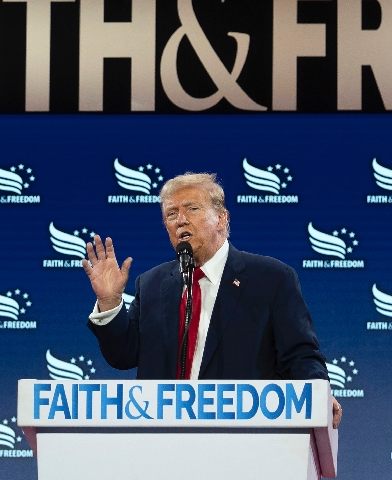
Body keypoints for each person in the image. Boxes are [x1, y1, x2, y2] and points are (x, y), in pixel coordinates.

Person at [84, 172, 342, 428]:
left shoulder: (270, 279)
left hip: (243, 439)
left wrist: (318, 395)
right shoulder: (152, 284)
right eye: (171, 214)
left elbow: (300, 355)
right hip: (162, 440)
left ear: (221, 219)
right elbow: (123, 356)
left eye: (192, 209)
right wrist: (109, 302)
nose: (181, 221)